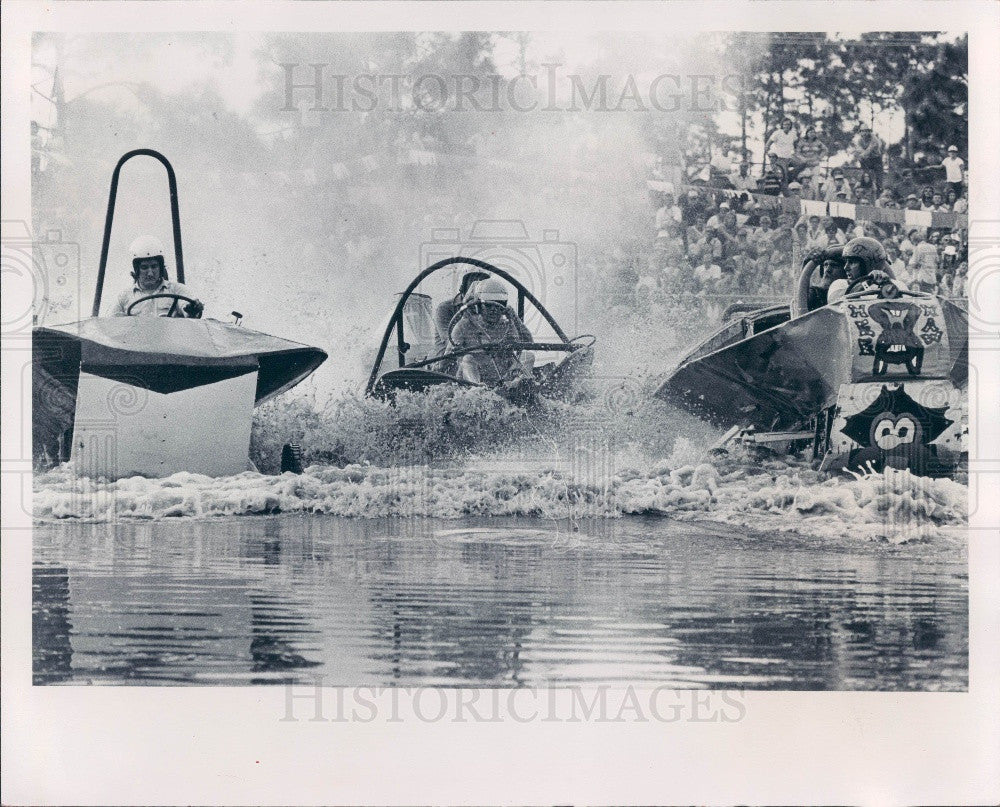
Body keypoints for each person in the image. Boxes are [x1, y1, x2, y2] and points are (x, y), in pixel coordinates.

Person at [450, 278, 535, 388]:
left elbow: (528, 342)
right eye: (489, 305)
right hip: (473, 379)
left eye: (498, 305)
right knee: (467, 359)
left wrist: (514, 319)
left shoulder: (507, 325)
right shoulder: (463, 326)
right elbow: (445, 363)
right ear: (478, 306)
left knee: (528, 356)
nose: (494, 310)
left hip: (502, 379)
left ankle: (513, 387)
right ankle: (478, 390)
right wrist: (456, 354)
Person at [112, 236, 203, 317]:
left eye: (154, 266)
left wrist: (192, 309)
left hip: (171, 336)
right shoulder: (124, 297)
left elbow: (187, 308)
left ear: (161, 268)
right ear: (136, 270)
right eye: (144, 268)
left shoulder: (177, 290)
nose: (150, 273)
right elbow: (111, 326)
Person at [826, 237, 903, 305]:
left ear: (868, 263)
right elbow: (834, 302)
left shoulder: (897, 285)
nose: (846, 267)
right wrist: (867, 281)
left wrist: (888, 285)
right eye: (846, 262)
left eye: (852, 262)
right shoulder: (840, 284)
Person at [433, 269, 490, 358]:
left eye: (483, 283)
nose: (478, 287)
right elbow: (452, 343)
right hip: (448, 363)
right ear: (463, 286)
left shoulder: (488, 307)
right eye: (474, 282)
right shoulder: (445, 308)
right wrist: (467, 311)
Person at [853, 124, 886, 192]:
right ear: (860, 132)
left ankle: (879, 189)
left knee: (879, 180)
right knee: (866, 175)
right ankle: (864, 180)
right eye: (862, 131)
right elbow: (858, 150)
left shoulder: (873, 139)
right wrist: (860, 155)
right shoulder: (859, 140)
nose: (864, 133)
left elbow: (869, 150)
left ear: (869, 132)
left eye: (866, 131)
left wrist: (862, 154)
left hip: (876, 159)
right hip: (867, 160)